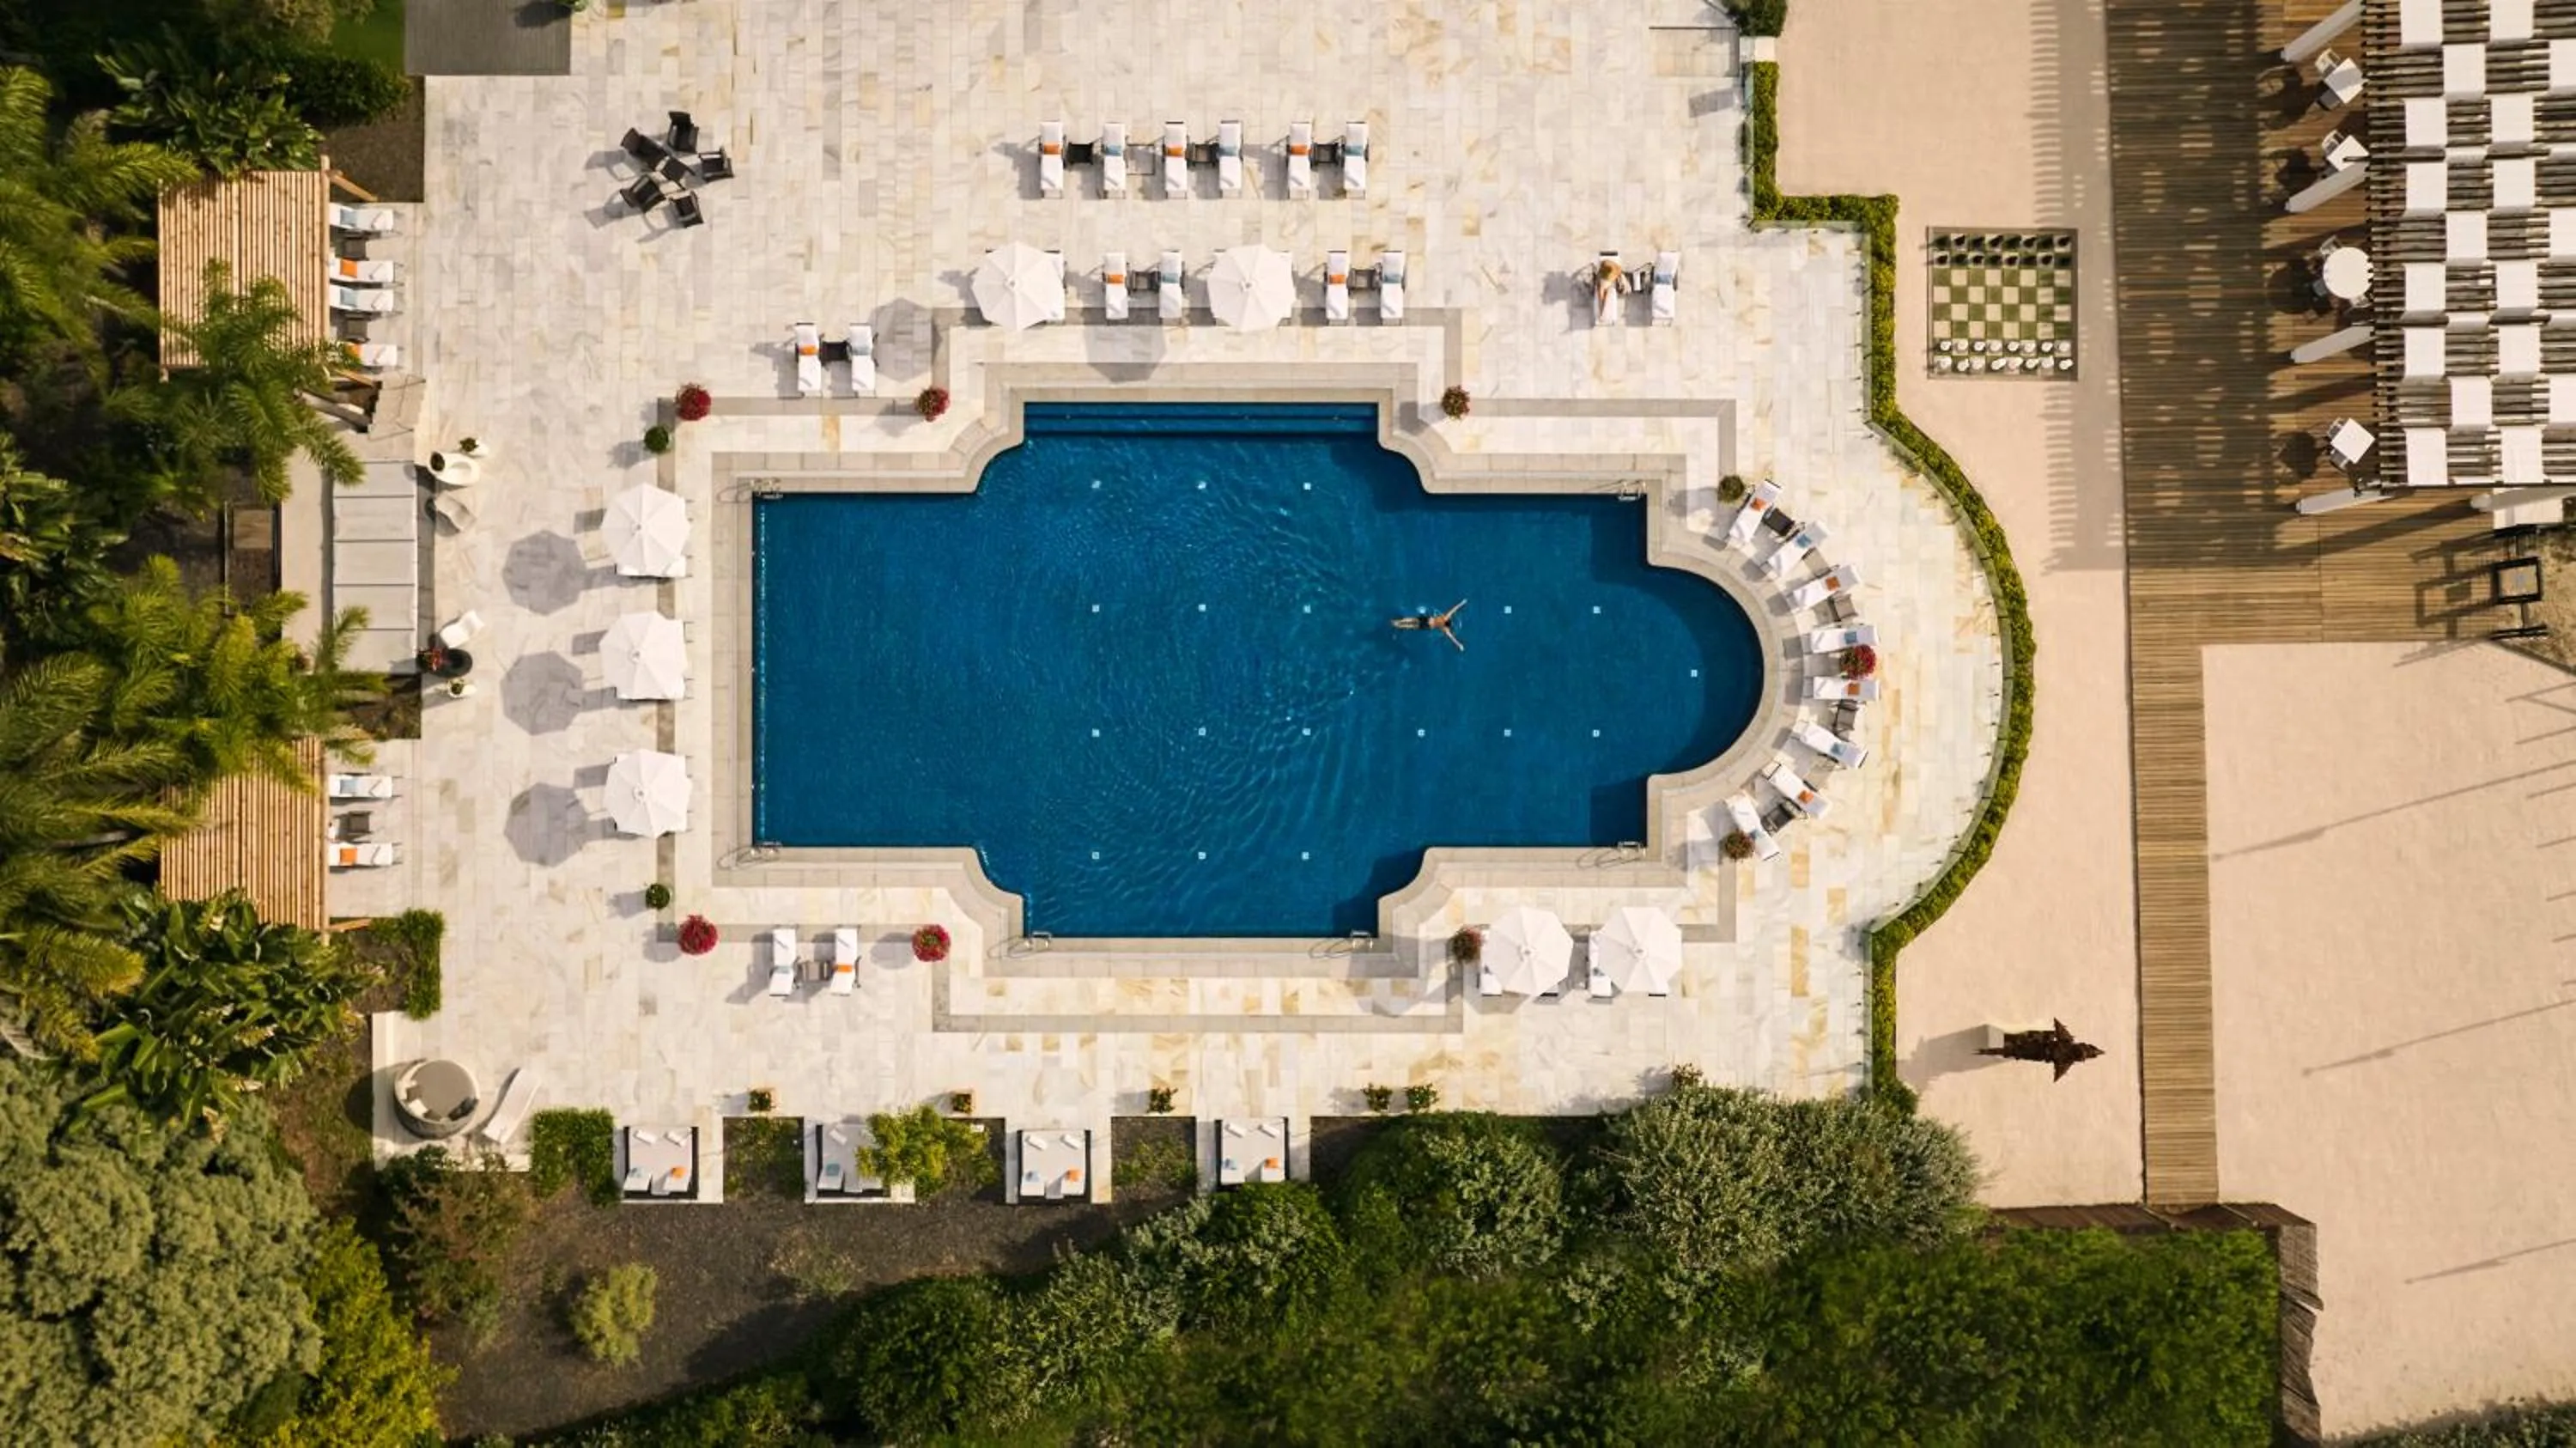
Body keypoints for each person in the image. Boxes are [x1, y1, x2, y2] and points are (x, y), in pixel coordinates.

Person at [1392, 599, 1467, 652]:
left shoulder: (1445, 617)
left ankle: (1397, 621)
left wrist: (1462, 603)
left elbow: (1453, 609)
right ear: (1448, 626)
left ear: (1448, 620)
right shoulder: (1445, 629)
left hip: (1428, 619)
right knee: (1412, 626)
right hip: (1428, 626)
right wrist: (1459, 645)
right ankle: (1398, 626)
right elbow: (1452, 639)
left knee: (1412, 620)